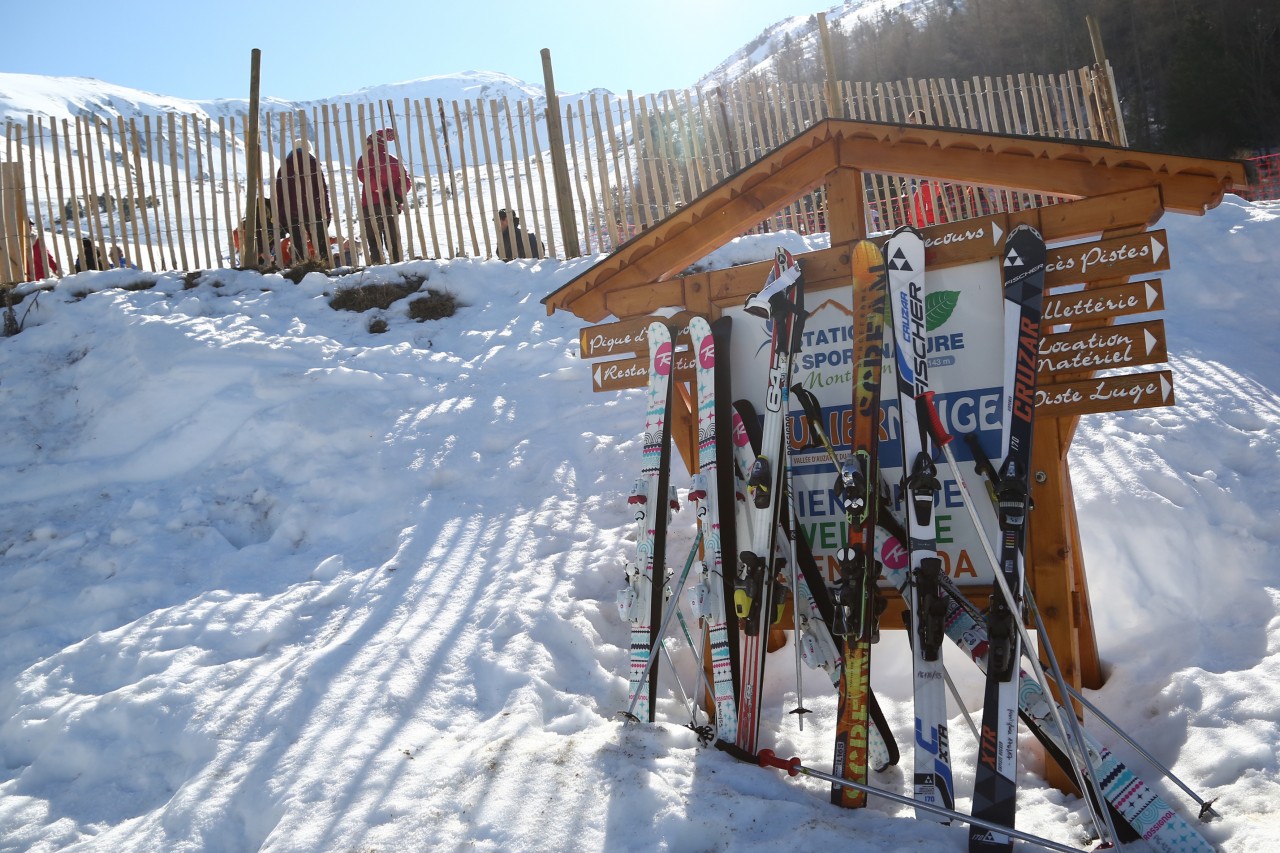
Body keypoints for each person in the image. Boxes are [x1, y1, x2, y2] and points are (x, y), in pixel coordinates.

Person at [355, 129, 409, 264]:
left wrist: (383, 191)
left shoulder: (365, 158)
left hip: (371, 204)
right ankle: (397, 263)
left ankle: (378, 264)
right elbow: (406, 181)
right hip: (390, 205)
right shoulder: (394, 160)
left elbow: (365, 177)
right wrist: (396, 196)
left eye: (367, 143)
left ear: (372, 143)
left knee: (374, 239)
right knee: (392, 238)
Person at [274, 140, 331, 263]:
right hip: (314, 211)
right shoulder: (313, 164)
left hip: (293, 213)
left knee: (298, 246)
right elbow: (322, 191)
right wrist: (326, 213)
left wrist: (283, 218)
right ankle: (325, 265)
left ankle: (300, 267)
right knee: (320, 245)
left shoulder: (284, 167)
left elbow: (280, 195)